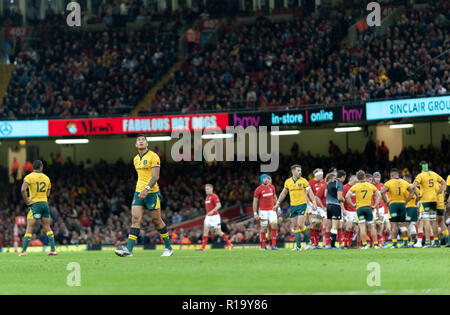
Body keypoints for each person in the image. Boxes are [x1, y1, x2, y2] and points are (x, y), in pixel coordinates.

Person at [115, 134, 173, 257]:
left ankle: (168, 247)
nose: (141, 142)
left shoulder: (153, 156)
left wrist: (146, 189)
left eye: (143, 140)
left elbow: (155, 176)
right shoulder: (135, 159)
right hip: (138, 192)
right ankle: (128, 250)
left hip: (151, 192)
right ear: (136, 145)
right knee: (135, 220)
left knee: (157, 221)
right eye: (139, 140)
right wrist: (141, 190)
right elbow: (141, 177)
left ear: (147, 144)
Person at [274, 164, 317, 251]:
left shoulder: (304, 181)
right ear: (293, 171)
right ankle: (298, 246)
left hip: (302, 205)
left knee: (301, 224)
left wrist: (314, 202)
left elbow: (310, 192)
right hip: (293, 206)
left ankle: (308, 243)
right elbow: (283, 193)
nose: (300, 172)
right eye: (298, 171)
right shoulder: (288, 182)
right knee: (295, 226)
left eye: (300, 171)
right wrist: (278, 202)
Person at [19, 160, 56, 256]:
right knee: (47, 227)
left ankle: (23, 251)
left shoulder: (29, 177)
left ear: (33, 168)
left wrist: (27, 200)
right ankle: (53, 250)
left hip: (35, 204)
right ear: (41, 167)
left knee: (29, 227)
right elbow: (48, 194)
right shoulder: (47, 178)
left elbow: (23, 189)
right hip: (44, 203)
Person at [410, 161, 446, 248]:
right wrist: (438, 192)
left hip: (425, 200)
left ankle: (427, 242)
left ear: (421, 168)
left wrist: (417, 195)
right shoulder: (434, 174)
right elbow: (444, 183)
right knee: (434, 221)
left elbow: (413, 187)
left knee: (426, 222)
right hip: (434, 200)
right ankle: (436, 242)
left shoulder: (420, 175)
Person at [345, 170, 381, 249]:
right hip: (368, 208)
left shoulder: (355, 186)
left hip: (360, 208)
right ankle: (375, 244)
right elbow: (379, 195)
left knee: (362, 227)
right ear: (364, 177)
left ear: (357, 178)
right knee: (372, 226)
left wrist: (352, 204)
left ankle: (364, 245)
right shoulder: (370, 185)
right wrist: (375, 205)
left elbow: (347, 196)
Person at [380, 168, 413, 248]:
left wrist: (386, 202)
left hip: (393, 205)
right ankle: (405, 243)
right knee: (403, 224)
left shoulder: (389, 182)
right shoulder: (404, 182)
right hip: (402, 204)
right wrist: (406, 201)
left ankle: (394, 244)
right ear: (398, 174)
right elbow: (412, 191)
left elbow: (382, 192)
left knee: (394, 225)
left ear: (391, 175)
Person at [199, 184, 232, 251]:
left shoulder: (214, 196)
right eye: (205, 189)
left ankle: (229, 244)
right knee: (205, 231)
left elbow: (219, 205)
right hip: (208, 216)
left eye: (208, 189)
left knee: (218, 232)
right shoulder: (207, 197)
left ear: (211, 189)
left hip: (215, 217)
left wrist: (212, 211)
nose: (206, 190)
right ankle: (203, 247)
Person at [253, 174, 280, 250]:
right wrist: (255, 213)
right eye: (264, 178)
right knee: (264, 228)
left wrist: (279, 208)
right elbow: (255, 202)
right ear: (261, 180)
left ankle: (273, 245)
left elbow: (275, 198)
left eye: (267, 178)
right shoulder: (258, 189)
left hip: (272, 210)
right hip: (263, 211)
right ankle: (263, 246)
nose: (266, 180)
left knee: (274, 225)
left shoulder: (272, 187)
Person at [325, 170, 346, 249]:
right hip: (335, 206)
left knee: (329, 225)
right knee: (334, 226)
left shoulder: (329, 182)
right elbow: (339, 197)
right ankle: (332, 245)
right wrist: (344, 200)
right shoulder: (339, 183)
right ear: (343, 177)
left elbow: (325, 194)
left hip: (328, 205)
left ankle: (328, 244)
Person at [403, 173, 419, 247]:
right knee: (412, 225)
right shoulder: (417, 189)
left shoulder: (405, 188)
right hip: (414, 208)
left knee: (405, 225)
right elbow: (419, 197)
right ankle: (412, 242)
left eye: (403, 179)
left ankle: (405, 242)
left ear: (406, 179)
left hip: (408, 208)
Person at [342, 175, 357, 248]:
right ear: (352, 180)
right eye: (355, 182)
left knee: (353, 227)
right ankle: (345, 244)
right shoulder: (345, 187)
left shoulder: (356, 187)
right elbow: (341, 200)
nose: (356, 183)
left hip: (355, 210)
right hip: (348, 210)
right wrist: (343, 209)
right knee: (348, 227)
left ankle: (350, 244)